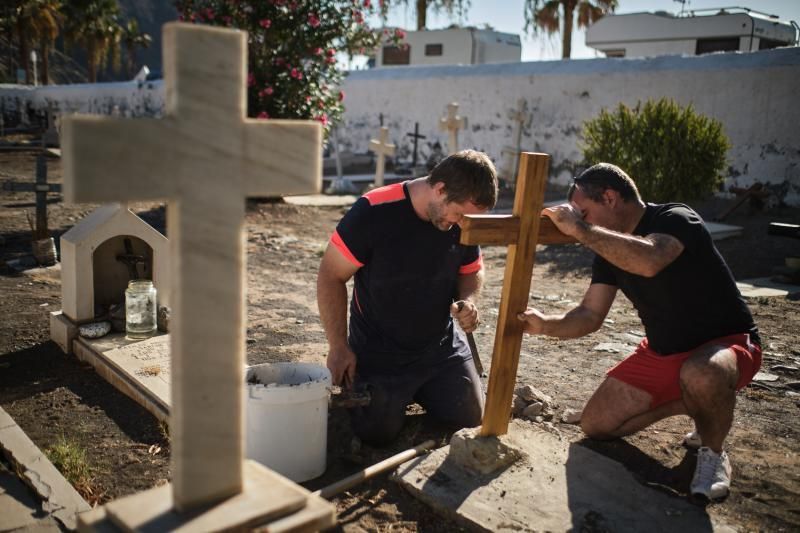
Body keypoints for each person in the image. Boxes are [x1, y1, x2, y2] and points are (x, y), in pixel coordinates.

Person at [517, 163, 761, 502]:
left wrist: (581, 230)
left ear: (611, 198)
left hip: (726, 346)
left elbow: (650, 260)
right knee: (596, 425)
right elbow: (590, 314)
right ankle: (694, 405)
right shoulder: (607, 249)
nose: (582, 221)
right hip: (663, 352)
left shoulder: (676, 218)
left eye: (586, 212)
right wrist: (545, 325)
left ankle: (713, 454)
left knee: (703, 373)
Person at [317, 150, 498, 446]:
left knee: (469, 418)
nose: (463, 225)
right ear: (440, 189)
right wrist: (338, 346)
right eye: (460, 215)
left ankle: (418, 391)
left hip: (440, 348)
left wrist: (469, 299)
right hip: (379, 351)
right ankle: (398, 397)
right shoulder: (374, 210)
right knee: (376, 432)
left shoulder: (462, 222)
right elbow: (331, 275)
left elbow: (471, 270)